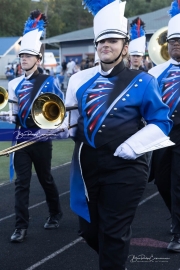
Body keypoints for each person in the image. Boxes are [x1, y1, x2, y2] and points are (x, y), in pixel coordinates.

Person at [58, 0, 173, 269]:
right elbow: (72, 124)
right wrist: (60, 127)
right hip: (86, 168)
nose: (104, 46)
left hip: (126, 168)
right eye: (100, 41)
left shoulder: (143, 81)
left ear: (124, 45)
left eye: (111, 40)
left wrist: (133, 146)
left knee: (114, 234)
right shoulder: (78, 80)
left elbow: (161, 121)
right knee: (89, 232)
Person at [0, 10, 64, 243]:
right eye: (22, 56)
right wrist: (8, 117)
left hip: (41, 137)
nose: (24, 59)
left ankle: (55, 212)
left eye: (28, 56)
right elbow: (15, 112)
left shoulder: (49, 81)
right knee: (21, 183)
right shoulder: (14, 82)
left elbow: (58, 110)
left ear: (38, 59)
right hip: (20, 137)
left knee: (46, 178)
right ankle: (20, 226)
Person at [148, 0, 180, 252]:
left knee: (178, 182)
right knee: (161, 181)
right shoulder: (156, 73)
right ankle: (176, 217)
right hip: (161, 134)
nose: (176, 44)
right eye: (173, 41)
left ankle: (178, 233)